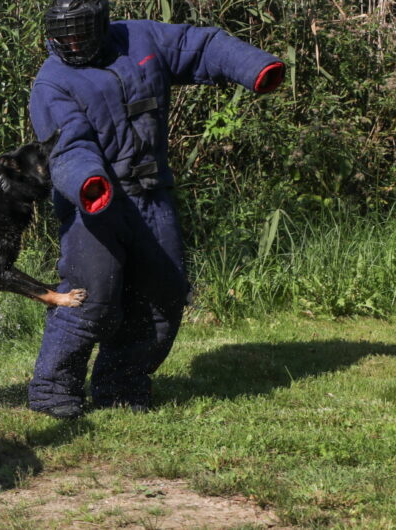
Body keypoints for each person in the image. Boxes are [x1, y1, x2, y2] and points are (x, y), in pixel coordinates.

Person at [27, 0, 284, 418]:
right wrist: (88, 182)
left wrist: (253, 67)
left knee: (163, 295)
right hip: (94, 201)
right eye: (63, 35)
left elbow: (200, 46)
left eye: (80, 33)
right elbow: (68, 146)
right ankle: (53, 391)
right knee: (88, 299)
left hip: (152, 194)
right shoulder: (52, 82)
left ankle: (122, 387)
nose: (72, 43)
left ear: (99, 26)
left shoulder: (140, 38)